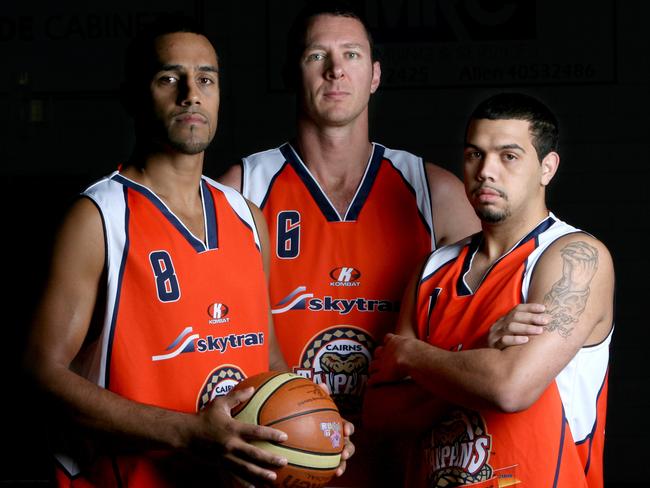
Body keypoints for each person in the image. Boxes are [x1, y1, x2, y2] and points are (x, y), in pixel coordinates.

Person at [23, 17, 352, 487]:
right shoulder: (99, 218)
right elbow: (40, 375)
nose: (190, 94)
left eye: (205, 79)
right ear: (135, 97)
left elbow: (270, 360)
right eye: (168, 78)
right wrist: (186, 432)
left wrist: (315, 432)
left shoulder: (248, 217)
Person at [218, 2, 480, 485]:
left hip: (402, 459)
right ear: (292, 73)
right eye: (318, 55)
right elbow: (203, 327)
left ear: (375, 75)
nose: (336, 69)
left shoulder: (434, 193)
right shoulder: (241, 188)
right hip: (277, 460)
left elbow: (479, 329)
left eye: (353, 55)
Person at [366, 92, 615, 487]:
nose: (486, 170)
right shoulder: (431, 270)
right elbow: (380, 414)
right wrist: (480, 355)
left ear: (547, 168)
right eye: (474, 154)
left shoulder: (574, 257)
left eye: (509, 156)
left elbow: (511, 387)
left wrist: (413, 355)